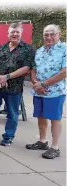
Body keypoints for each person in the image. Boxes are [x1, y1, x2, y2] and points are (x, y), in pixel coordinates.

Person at [0, 23, 35, 146]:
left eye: (17, 32)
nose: (14, 34)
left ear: (21, 33)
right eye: (12, 32)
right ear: (8, 34)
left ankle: (8, 136)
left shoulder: (28, 49)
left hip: (14, 88)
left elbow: (27, 68)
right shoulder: (1, 47)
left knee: (12, 113)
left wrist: (7, 77)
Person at [26, 24, 66, 159]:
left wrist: (44, 84)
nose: (48, 37)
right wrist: (36, 83)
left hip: (55, 91)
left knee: (55, 118)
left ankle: (55, 147)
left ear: (59, 34)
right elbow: (33, 69)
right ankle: (43, 141)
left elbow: (64, 72)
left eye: (52, 34)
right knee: (41, 116)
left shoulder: (64, 49)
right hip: (39, 91)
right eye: (46, 35)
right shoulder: (40, 50)